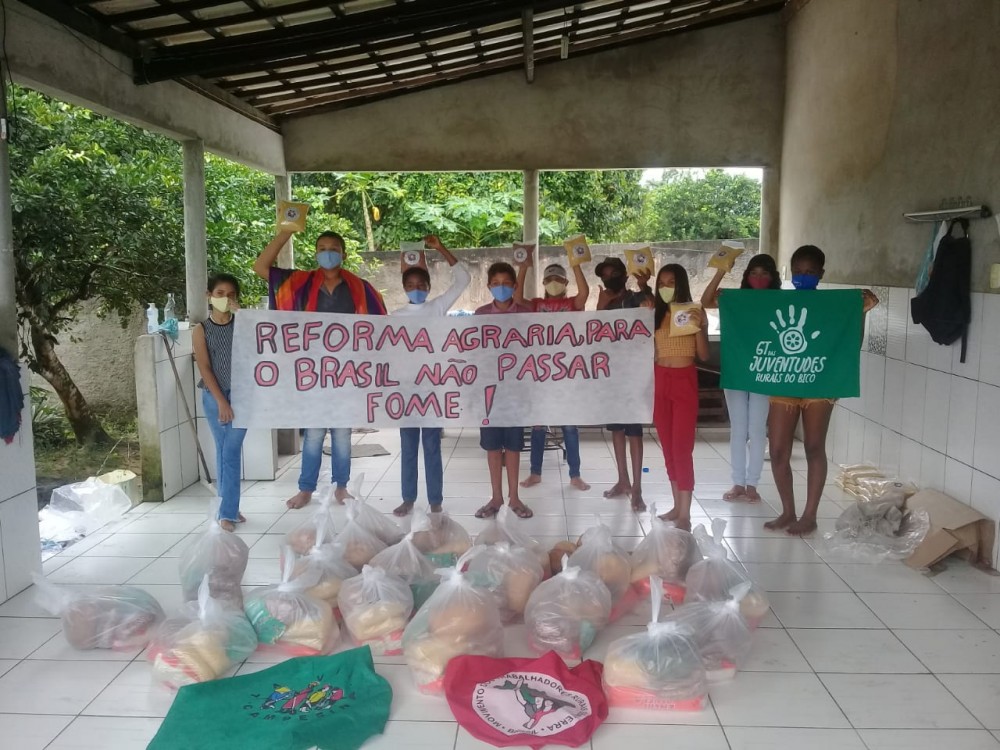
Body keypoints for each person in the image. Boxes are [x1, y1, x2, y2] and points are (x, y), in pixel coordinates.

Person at [254, 228, 387, 509]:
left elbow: (380, 329)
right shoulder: (300, 283)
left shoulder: (361, 289)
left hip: (346, 374)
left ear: (343, 254)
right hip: (312, 374)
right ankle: (306, 489)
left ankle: (341, 487)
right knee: (314, 433)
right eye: (322, 248)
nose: (328, 253)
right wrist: (285, 232)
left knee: (341, 434)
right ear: (316, 254)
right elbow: (261, 267)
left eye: (334, 248)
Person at [764, 245, 879, 536]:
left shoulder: (834, 304)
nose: (804, 276)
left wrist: (860, 312)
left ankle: (810, 515)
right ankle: (788, 511)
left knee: (814, 446)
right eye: (799, 272)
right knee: (778, 451)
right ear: (791, 272)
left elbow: (851, 342)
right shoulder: (778, 303)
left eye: (810, 272)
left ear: (821, 274)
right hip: (784, 382)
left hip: (820, 382)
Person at [391, 235, 471, 517]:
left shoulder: (436, 307)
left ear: (428, 287)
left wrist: (441, 248)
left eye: (421, 286)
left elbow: (463, 280)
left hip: (433, 388)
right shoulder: (395, 317)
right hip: (406, 389)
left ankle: (435, 499)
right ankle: (408, 498)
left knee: (432, 445)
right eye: (411, 286)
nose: (416, 290)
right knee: (409, 446)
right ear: (404, 288)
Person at [701, 254, 781, 503]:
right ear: (746, 276)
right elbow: (705, 300)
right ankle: (738, 483)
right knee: (738, 429)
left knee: (757, 430)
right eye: (753, 273)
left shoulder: (780, 300)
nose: (758, 278)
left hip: (764, 369)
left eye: (764, 273)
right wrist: (722, 271)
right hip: (736, 369)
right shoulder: (733, 299)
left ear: (773, 277)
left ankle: (752, 485)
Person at [513, 256, 591, 492]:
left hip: (567, 373)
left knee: (569, 426)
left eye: (558, 278)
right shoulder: (536, 304)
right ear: (544, 282)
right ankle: (535, 472)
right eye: (549, 279)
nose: (554, 282)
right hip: (540, 374)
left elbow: (585, 293)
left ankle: (575, 474)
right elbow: (517, 298)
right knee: (538, 426)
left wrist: (576, 263)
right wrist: (524, 267)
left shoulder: (572, 305)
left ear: (566, 282)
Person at [473, 261, 534, 520]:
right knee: (492, 446)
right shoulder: (480, 315)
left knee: (513, 446)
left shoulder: (526, 314)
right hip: (488, 391)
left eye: (506, 283)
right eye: (496, 284)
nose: (501, 288)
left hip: (517, 391)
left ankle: (514, 497)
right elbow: (473, 351)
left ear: (515, 286)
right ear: (488, 286)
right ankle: (496, 497)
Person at [652, 264, 709, 531]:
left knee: (682, 449)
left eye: (671, 282)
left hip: (684, 380)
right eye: (661, 283)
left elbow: (704, 356)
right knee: (668, 449)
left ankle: (685, 513)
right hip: (658, 381)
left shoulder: (693, 312)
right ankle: (676, 506)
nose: (665, 287)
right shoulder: (655, 313)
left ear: (682, 283)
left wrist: (701, 327)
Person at [594, 257, 653, 512]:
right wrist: (600, 307)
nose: (609, 279)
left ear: (624, 276)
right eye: (605, 276)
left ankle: (637, 487)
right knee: (616, 430)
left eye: (614, 274)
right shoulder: (604, 303)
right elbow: (593, 335)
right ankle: (623, 480)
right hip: (611, 376)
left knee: (634, 431)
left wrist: (647, 288)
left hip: (634, 376)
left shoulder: (637, 299)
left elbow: (653, 316)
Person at [192, 273, 246, 531]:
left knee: (229, 452)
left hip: (244, 396)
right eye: (220, 293)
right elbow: (205, 368)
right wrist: (222, 401)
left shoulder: (244, 324)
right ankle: (228, 510)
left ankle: (227, 510)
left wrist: (243, 315)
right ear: (209, 296)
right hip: (215, 396)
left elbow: (263, 340)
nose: (226, 298)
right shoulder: (201, 330)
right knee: (225, 451)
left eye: (231, 294)